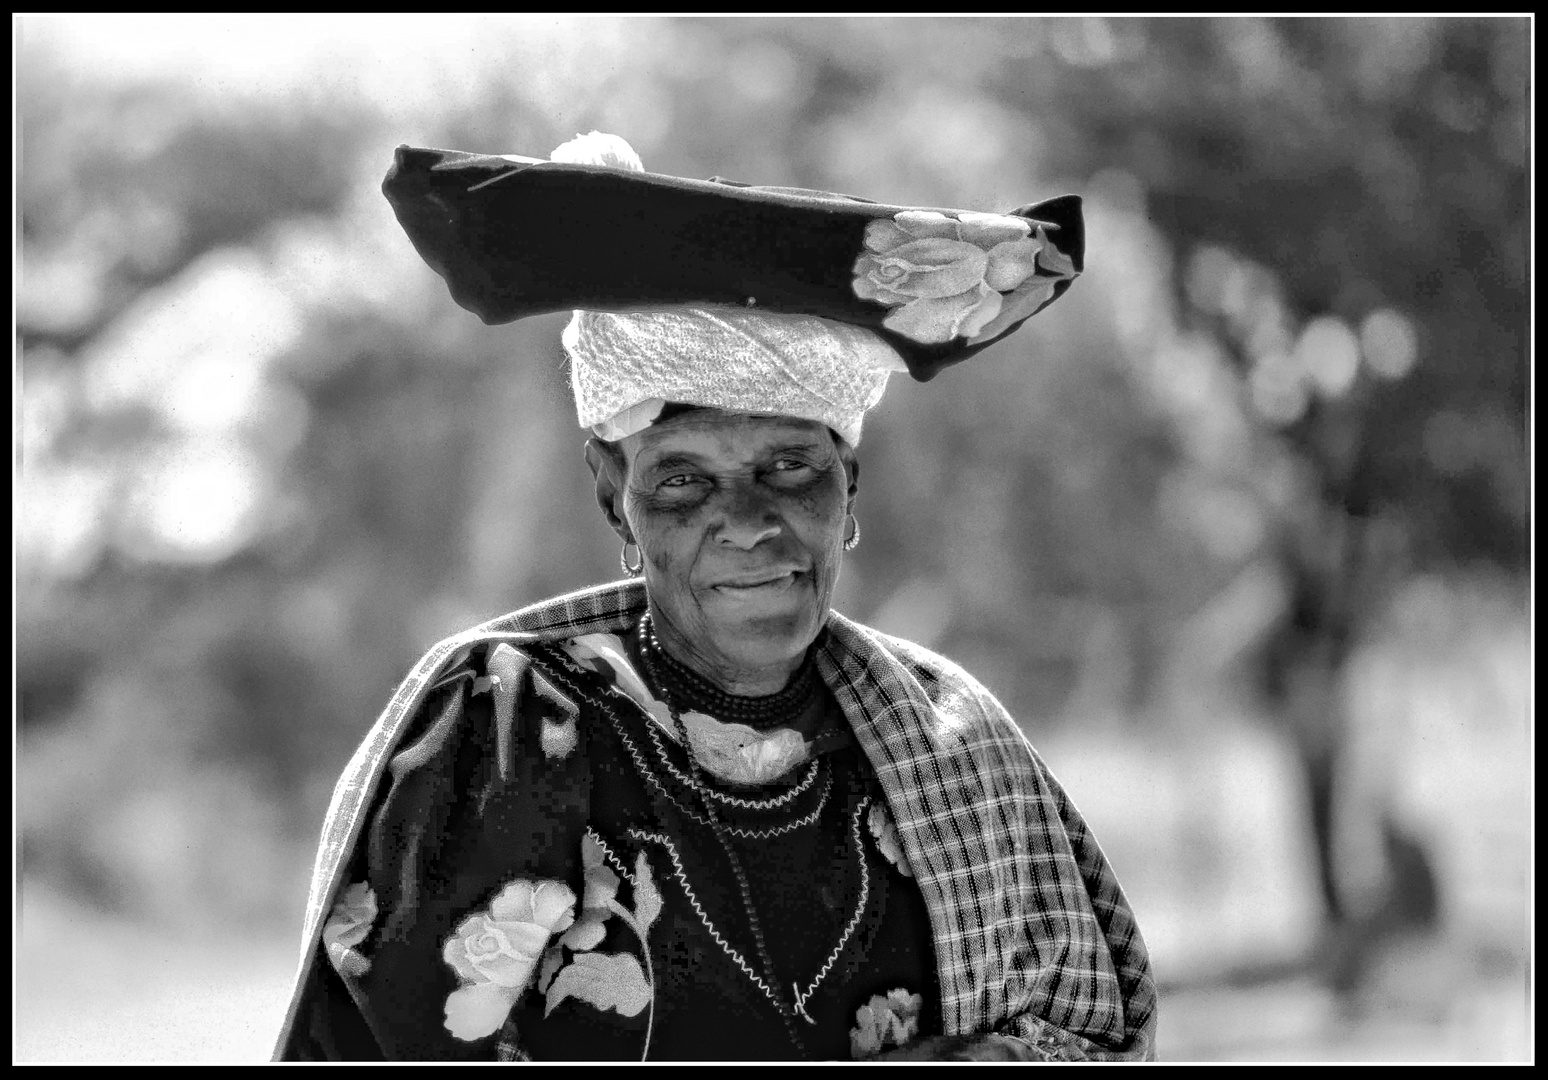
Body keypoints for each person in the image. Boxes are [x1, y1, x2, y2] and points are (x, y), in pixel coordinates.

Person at [273, 132, 1158, 1062]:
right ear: (614, 498)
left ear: (848, 490)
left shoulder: (957, 751)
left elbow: (1090, 1035)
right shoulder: (508, 727)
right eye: (684, 482)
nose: (746, 522)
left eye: (790, 467)